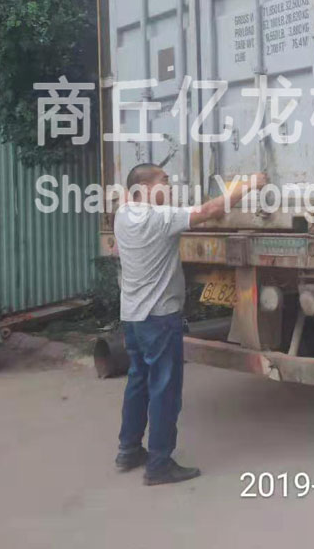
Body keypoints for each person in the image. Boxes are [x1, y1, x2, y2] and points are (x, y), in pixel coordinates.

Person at [113, 164, 267, 485]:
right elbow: (210, 211)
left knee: (138, 380)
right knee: (164, 388)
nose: (169, 187)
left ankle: (128, 450)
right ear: (146, 188)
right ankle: (159, 464)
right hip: (159, 317)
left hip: (132, 317)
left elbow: (129, 196)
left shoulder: (123, 215)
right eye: (164, 182)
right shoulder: (161, 219)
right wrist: (251, 184)